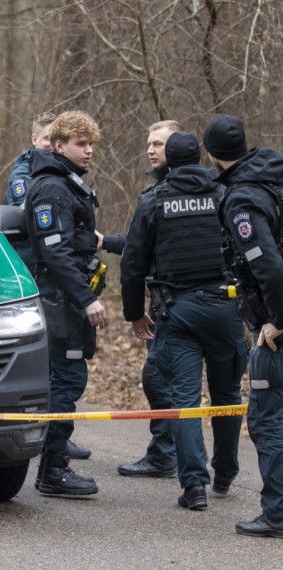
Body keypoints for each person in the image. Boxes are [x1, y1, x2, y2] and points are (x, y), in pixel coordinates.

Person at [121, 130, 246, 510]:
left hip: (177, 312)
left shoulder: (154, 200)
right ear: (202, 157)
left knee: (185, 400)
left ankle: (194, 487)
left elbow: (132, 264)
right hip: (225, 309)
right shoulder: (226, 195)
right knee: (226, 395)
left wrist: (134, 315)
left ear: (170, 163)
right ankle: (225, 472)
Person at [205, 113, 283, 537]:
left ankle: (277, 514)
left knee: (269, 422)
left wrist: (277, 320)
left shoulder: (243, 199)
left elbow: (268, 265)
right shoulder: (275, 174)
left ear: (212, 155)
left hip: (277, 333)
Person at [25, 110, 109, 495]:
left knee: (66, 380)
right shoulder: (52, 187)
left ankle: (53, 466)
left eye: (90, 143)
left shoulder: (67, 183)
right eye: (80, 143)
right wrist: (87, 299)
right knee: (65, 381)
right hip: (60, 300)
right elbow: (55, 253)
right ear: (59, 146)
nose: (88, 150)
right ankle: (53, 471)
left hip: (67, 299)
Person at [98, 120, 183, 478]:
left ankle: (166, 454)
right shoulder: (168, 189)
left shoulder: (167, 194)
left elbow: (140, 255)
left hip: (174, 303)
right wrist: (104, 242)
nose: (151, 149)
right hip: (174, 297)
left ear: (176, 147)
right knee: (169, 379)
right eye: (149, 143)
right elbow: (140, 246)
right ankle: (185, 457)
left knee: (159, 377)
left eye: (159, 144)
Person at [5, 113, 56, 270]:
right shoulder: (21, 177)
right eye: (48, 138)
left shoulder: (62, 172)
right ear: (35, 139)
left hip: (57, 262)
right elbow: (26, 214)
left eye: (57, 138)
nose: (53, 144)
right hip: (32, 265)